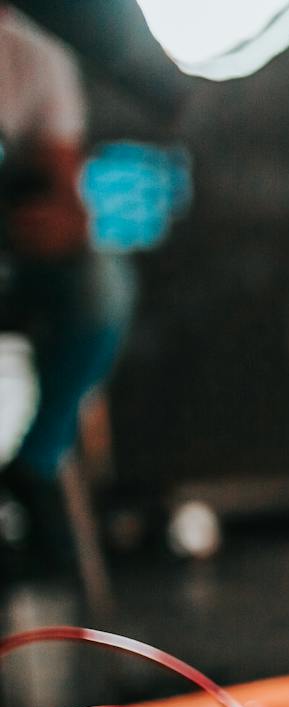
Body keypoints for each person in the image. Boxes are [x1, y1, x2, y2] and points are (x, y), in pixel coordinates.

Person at [0, 5, 135, 563]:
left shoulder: (32, 54)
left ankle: (35, 465)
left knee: (100, 287)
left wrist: (53, 223)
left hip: (12, 256)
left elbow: (68, 206)